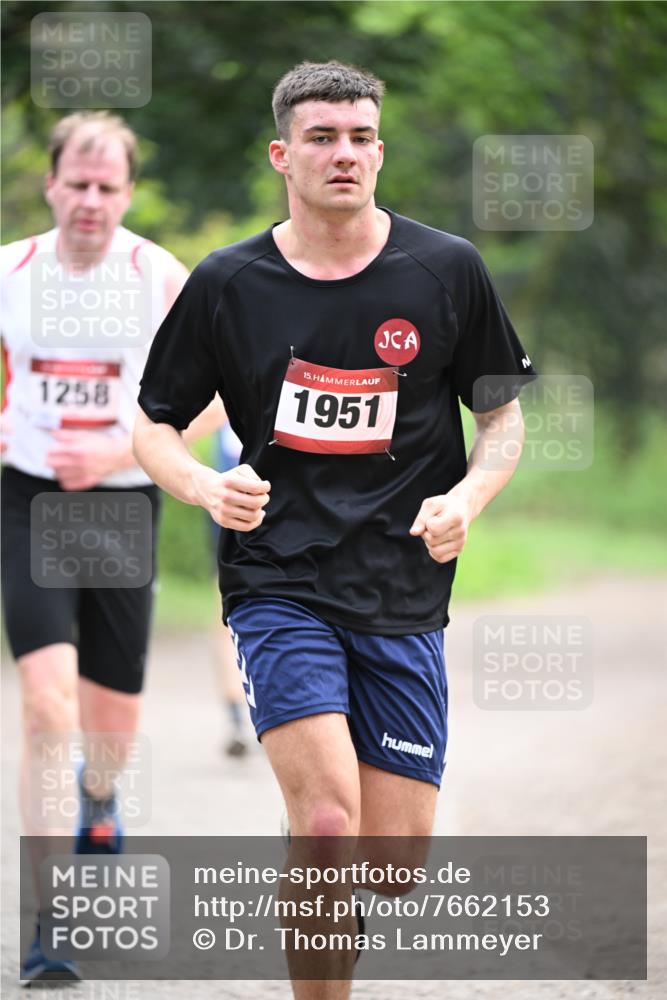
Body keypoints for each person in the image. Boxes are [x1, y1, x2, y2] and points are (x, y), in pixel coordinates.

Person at [134, 61, 537, 999]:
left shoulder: (446, 270)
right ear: (283, 155)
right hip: (279, 580)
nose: (342, 154)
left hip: (401, 588)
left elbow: (503, 417)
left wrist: (465, 501)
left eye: (359, 137)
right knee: (325, 826)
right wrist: (202, 485)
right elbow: (151, 423)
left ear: (380, 151)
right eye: (321, 137)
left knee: (388, 865)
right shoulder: (230, 282)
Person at [0, 111, 220, 983]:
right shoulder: (10, 272)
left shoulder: (158, 276)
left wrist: (127, 448)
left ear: (126, 193)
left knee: (109, 729)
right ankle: (47, 921)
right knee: (48, 704)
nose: (89, 201)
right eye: (76, 184)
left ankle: (101, 799)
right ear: (51, 183)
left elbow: (219, 400)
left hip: (123, 503)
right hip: (27, 499)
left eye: (107, 187)